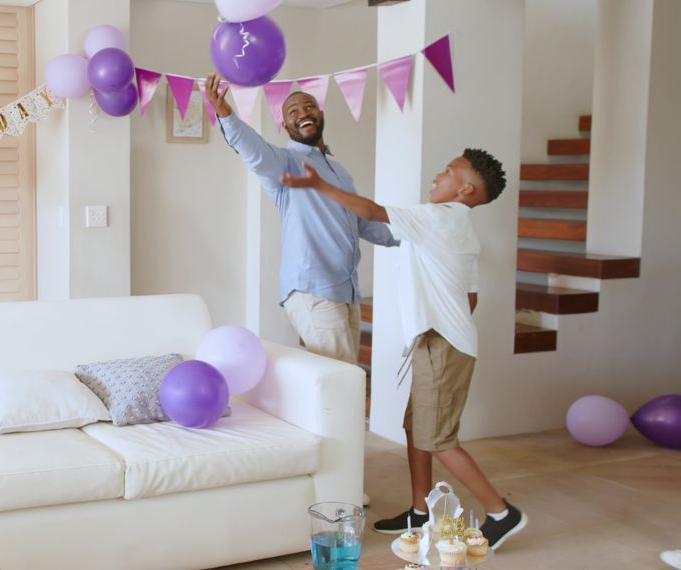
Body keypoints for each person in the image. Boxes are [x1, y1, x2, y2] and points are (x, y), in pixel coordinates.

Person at [280, 148, 527, 550]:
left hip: (443, 344)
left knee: (439, 438)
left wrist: (318, 185)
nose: (438, 174)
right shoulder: (460, 228)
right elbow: (471, 296)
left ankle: (501, 513)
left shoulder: (439, 217)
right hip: (439, 340)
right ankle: (420, 510)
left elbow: (373, 212)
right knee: (416, 428)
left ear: (465, 189)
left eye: (448, 171)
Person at [203, 73, 397, 369]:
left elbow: (362, 222)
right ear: (285, 125)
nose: (302, 113)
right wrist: (225, 113)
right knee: (340, 382)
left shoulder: (337, 170)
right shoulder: (284, 162)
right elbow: (254, 152)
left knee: (345, 379)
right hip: (314, 289)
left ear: (320, 115)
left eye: (308, 107)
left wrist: (415, 235)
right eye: (292, 111)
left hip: (346, 289)